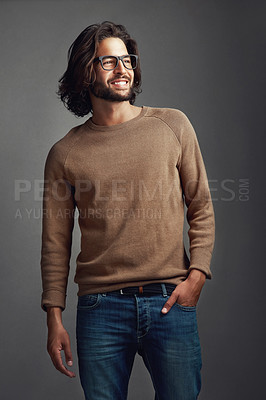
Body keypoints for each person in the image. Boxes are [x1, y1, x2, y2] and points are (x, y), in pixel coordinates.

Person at [40, 20, 215, 400]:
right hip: (100, 309)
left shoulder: (172, 125)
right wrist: (54, 317)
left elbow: (200, 205)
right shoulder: (64, 153)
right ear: (86, 72)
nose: (123, 69)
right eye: (109, 62)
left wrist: (197, 274)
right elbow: (55, 243)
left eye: (127, 59)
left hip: (170, 301)